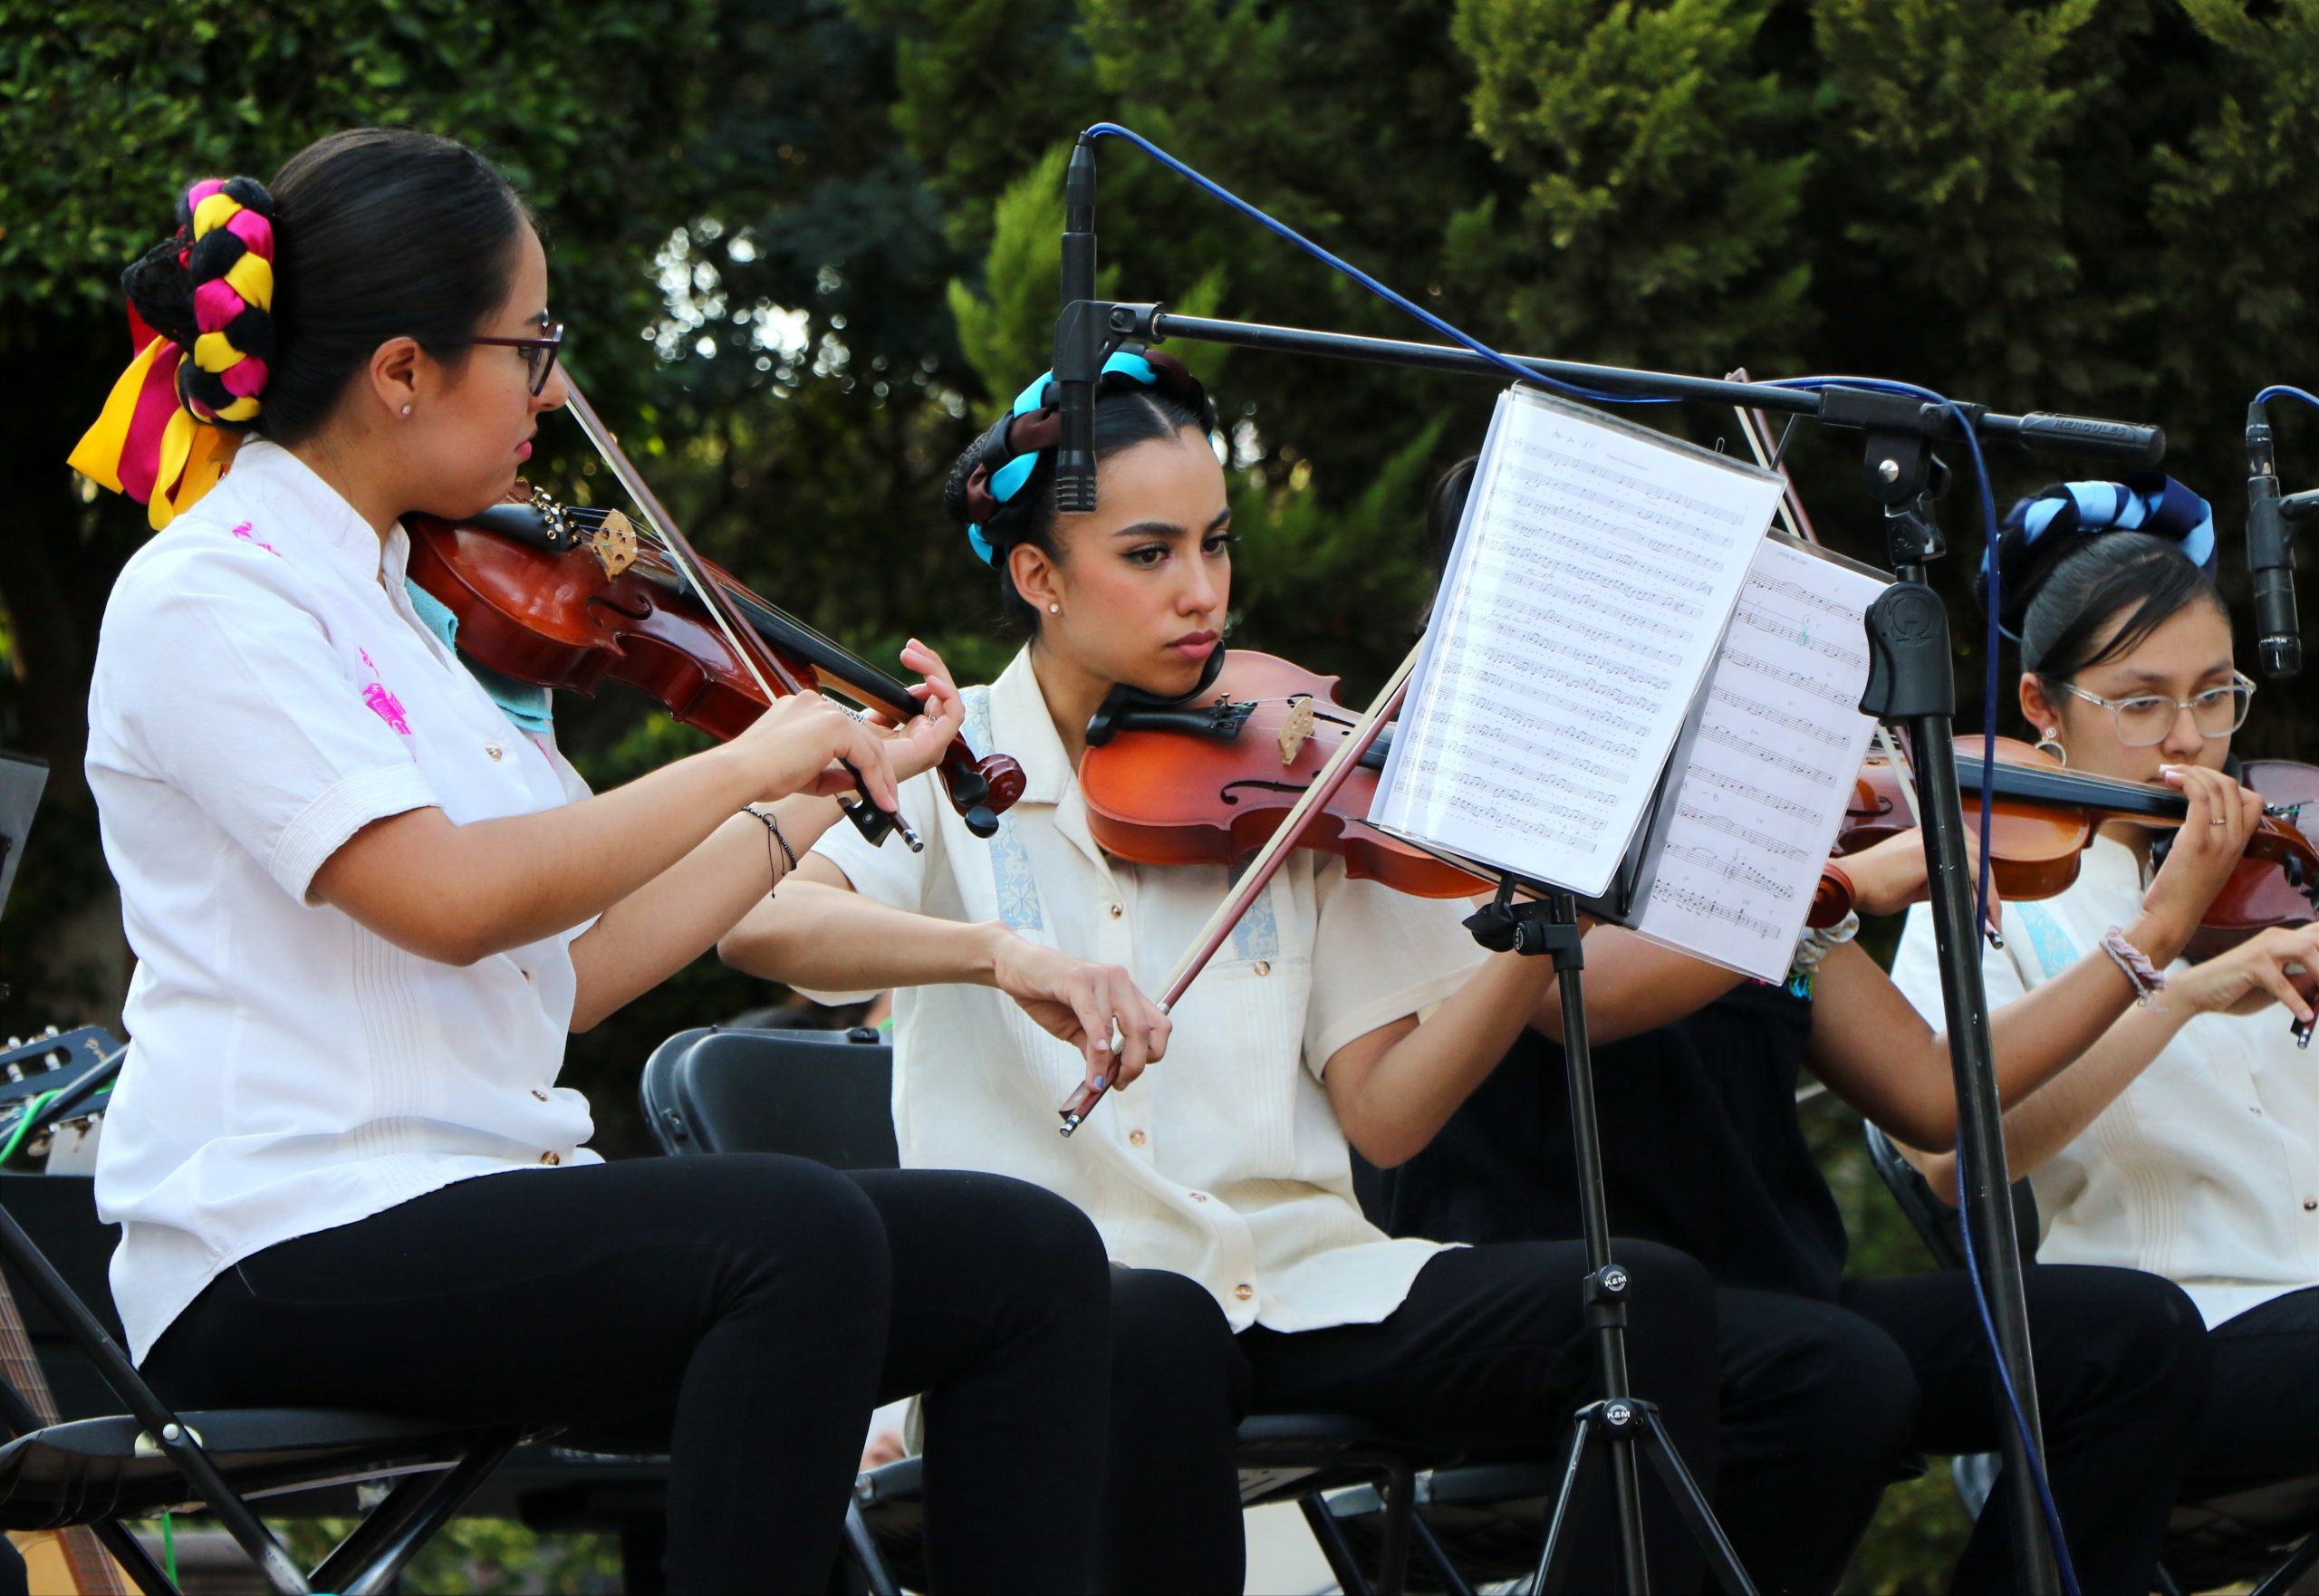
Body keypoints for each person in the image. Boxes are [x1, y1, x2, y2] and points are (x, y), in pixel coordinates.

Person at [72, 129, 1117, 1594]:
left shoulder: (418, 609)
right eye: (531, 340)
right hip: (279, 1235)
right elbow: (446, 902)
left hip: (470, 1200)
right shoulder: (212, 594)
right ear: (401, 372)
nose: (552, 387)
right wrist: (745, 756)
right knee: (790, 1236)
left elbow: (569, 974)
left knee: (1026, 1261)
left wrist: (816, 790)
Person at [719, 349, 1728, 1592]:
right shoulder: (943, 756)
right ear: (1039, 575)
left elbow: (1386, 1115)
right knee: (1152, 1323)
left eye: (1217, 543)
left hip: (1304, 1285)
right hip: (1076, 1313)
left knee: (1645, 1303)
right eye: (1150, 555)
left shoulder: (1280, 774)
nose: (1203, 593)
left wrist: (1533, 918)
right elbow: (760, 914)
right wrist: (997, 953)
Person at [1362, 466, 2237, 1593]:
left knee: (2134, 1340)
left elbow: (1930, 1091)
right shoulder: (1457, 803)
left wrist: (2155, 938)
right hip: (1552, 1299)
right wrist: (1825, 886)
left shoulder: (1743, 827)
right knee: (1840, 1379)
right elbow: (1585, 993)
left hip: (1773, 1297)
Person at [1892, 478, 2319, 1513]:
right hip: (2176, 1337)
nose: (2186, 739)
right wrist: (2170, 989)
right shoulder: (1978, 885)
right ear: (2042, 707)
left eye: (2214, 695)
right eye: (2138, 702)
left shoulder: (2279, 873)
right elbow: (1953, 1162)